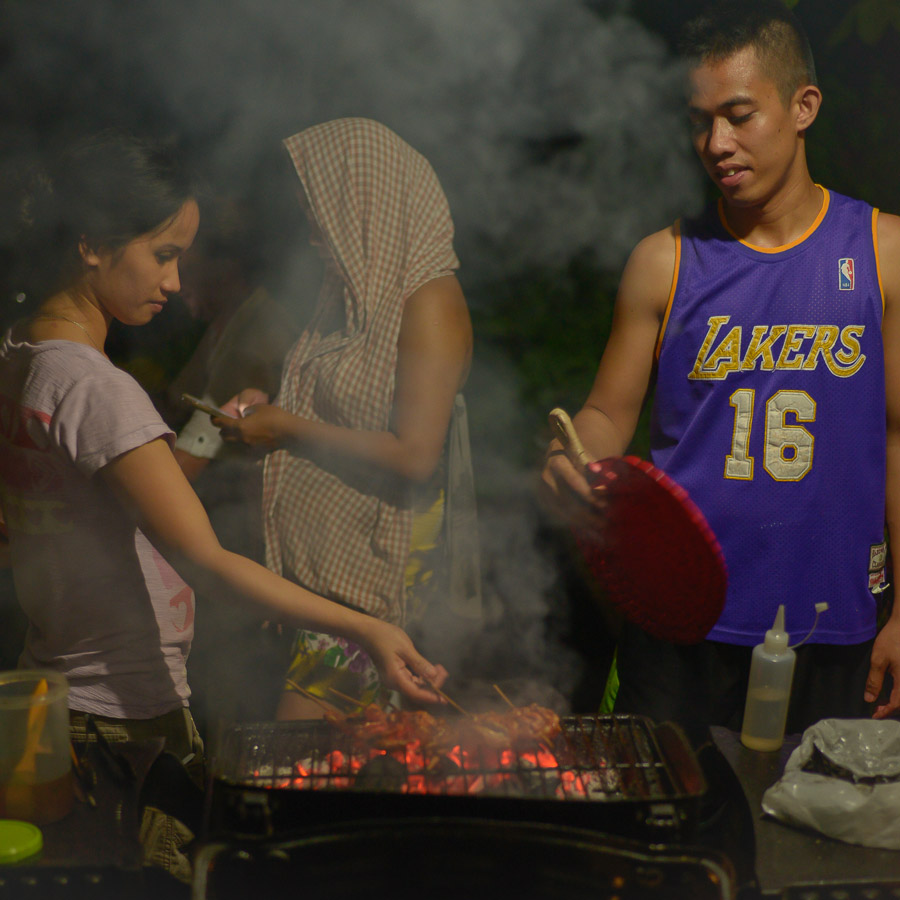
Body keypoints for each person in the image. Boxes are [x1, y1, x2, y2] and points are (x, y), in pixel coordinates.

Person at [0, 129, 449, 765]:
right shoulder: (94, 386)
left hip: (58, 688)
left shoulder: (19, 352)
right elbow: (205, 561)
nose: (175, 280)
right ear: (94, 247)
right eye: (162, 254)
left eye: (183, 258)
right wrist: (368, 628)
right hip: (121, 716)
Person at [540, 0, 900, 747]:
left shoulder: (881, 251)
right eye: (700, 121)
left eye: (739, 115)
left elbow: (899, 440)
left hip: (832, 618)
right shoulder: (664, 260)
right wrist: (577, 455)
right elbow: (609, 411)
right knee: (669, 840)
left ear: (803, 107)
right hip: (681, 616)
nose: (717, 143)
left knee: (814, 849)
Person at [207, 118, 481, 720]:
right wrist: (265, 407)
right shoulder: (356, 298)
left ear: (371, 203)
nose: (312, 232)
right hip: (322, 587)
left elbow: (414, 453)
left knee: (298, 754)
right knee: (329, 762)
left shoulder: (429, 300)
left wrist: (286, 428)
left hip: (372, 597)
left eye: (322, 209)